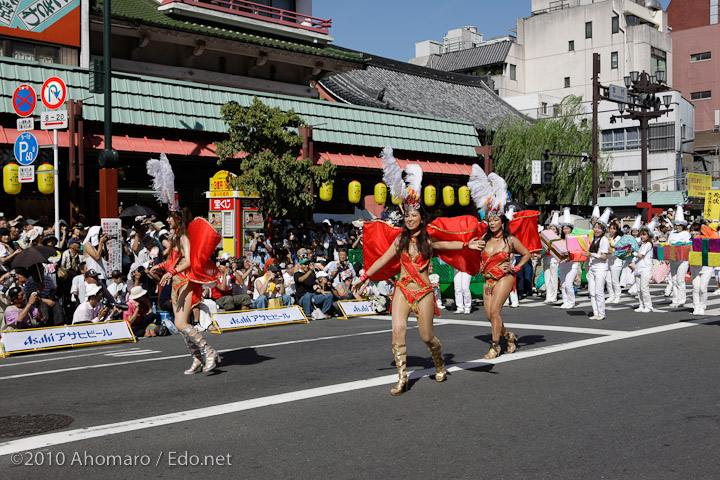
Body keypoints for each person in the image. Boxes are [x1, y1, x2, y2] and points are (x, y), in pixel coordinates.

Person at [354, 151, 483, 395]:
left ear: (422, 218)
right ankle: (402, 378)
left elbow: (447, 246)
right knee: (397, 332)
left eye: (414, 215)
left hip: (423, 292)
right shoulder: (399, 241)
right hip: (403, 290)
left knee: (427, 337)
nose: (410, 218)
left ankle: (439, 361)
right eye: (407, 215)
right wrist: (364, 278)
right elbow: (382, 260)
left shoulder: (429, 241)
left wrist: (468, 245)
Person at [156, 207, 220, 375]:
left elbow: (189, 262)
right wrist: (160, 267)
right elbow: (174, 261)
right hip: (176, 284)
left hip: (185, 282)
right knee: (182, 327)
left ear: (178, 219)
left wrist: (171, 272)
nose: (168, 220)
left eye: (170, 217)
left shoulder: (184, 237)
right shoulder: (175, 237)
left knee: (181, 324)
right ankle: (197, 358)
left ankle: (209, 351)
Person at [585, 209, 611, 320]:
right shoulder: (594, 239)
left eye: (599, 228)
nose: (596, 230)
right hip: (592, 267)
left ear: (603, 230)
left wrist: (591, 254)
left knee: (599, 292)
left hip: (601, 268)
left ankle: (602, 313)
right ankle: (595, 312)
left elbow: (604, 256)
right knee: (592, 292)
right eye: (595, 227)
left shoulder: (604, 240)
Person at [667, 205, 691, 309]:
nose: (677, 227)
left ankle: (681, 300)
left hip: (682, 260)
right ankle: (675, 299)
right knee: (673, 280)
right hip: (673, 259)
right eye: (676, 225)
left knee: (680, 280)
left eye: (679, 225)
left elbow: (686, 244)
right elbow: (668, 244)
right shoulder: (672, 233)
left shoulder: (686, 233)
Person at [558, 208, 579, 309]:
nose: (565, 230)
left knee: (569, 284)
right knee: (563, 284)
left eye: (567, 228)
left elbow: (576, 252)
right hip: (562, 264)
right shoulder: (559, 239)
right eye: (564, 228)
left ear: (571, 229)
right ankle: (565, 301)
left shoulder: (575, 238)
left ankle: (571, 302)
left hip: (572, 264)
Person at [633, 219, 656, 313]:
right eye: (641, 234)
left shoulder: (648, 244)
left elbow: (640, 255)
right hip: (639, 268)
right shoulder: (641, 244)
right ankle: (641, 304)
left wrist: (633, 253)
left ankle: (648, 305)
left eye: (644, 234)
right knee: (639, 289)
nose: (642, 236)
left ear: (649, 235)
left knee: (644, 288)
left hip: (646, 269)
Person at [542, 212, 561, 304]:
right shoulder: (545, 238)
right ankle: (548, 295)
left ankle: (554, 295)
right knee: (547, 278)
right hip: (546, 259)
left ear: (557, 231)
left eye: (554, 229)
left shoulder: (558, 238)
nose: (552, 230)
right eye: (551, 228)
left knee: (554, 278)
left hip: (554, 260)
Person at [606, 220, 623, 304]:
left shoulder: (619, 239)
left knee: (615, 280)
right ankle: (611, 295)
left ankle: (617, 296)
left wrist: (612, 251)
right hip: (608, 261)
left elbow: (620, 250)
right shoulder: (607, 238)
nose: (611, 230)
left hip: (616, 261)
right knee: (608, 280)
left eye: (614, 229)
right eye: (610, 229)